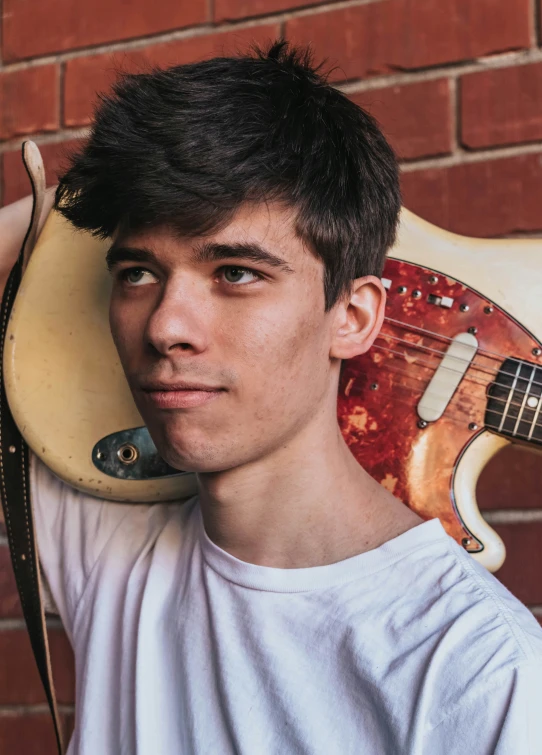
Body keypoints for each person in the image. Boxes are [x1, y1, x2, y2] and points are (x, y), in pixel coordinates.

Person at [1, 41, 541, 755]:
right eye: (137, 272)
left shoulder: (480, 672)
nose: (166, 326)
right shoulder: (108, 540)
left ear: (352, 317)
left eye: (235, 273)